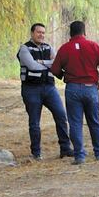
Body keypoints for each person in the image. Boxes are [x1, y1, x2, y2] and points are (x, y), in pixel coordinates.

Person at [50, 21, 99, 165]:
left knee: (75, 123)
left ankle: (79, 156)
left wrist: (64, 75)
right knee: (94, 122)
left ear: (70, 33)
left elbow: (54, 69)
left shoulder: (64, 48)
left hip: (72, 89)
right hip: (91, 88)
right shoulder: (93, 46)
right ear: (84, 32)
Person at [17, 23, 73, 160]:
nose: (41, 35)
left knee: (61, 115)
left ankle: (65, 149)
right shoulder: (24, 49)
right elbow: (32, 66)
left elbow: (57, 63)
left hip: (49, 88)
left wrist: (42, 62)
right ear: (32, 33)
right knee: (34, 122)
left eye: (43, 32)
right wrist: (49, 64)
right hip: (31, 89)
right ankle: (36, 153)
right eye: (38, 32)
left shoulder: (49, 47)